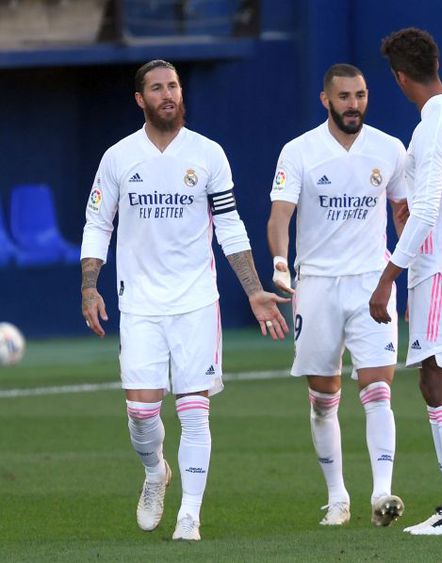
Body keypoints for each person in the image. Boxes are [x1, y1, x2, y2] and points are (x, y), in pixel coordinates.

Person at [80, 60, 288, 542]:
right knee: (141, 413)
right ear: (140, 100)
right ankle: (155, 471)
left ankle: (189, 515)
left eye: (173, 85)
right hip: (140, 303)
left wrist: (254, 289)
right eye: (157, 88)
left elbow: (229, 225)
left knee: (194, 409)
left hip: (196, 299)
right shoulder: (118, 157)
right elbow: (97, 224)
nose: (168, 94)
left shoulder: (209, 154)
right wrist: (90, 285)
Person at [267, 63, 409, 527]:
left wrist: (405, 264)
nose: (355, 105)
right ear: (326, 99)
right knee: (324, 395)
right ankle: (338, 497)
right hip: (318, 284)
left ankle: (383, 492)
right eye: (345, 97)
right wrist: (281, 264)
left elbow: (403, 211)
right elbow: (280, 217)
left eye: (362, 95)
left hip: (372, 281)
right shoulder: (300, 151)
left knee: (378, 387)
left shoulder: (389, 148)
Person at [370, 27, 442, 536]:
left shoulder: (431, 125)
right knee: (433, 379)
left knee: (440, 381)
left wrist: (386, 279)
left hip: (439, 267)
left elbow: (424, 212)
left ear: (399, 77)